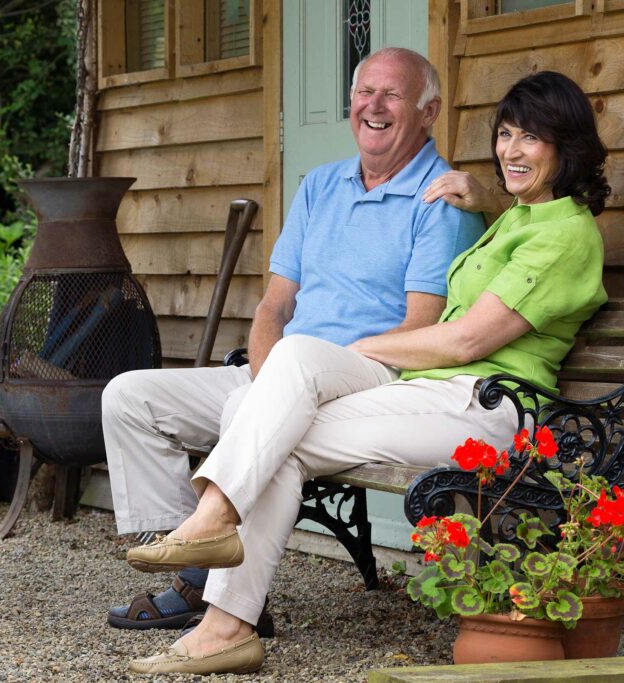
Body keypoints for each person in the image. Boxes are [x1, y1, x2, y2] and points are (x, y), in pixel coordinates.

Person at [122, 69, 611, 675]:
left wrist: (369, 345)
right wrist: (488, 192)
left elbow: (467, 339)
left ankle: (217, 552)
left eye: (530, 139)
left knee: (284, 410)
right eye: (505, 135)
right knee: (286, 397)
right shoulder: (521, 215)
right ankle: (222, 606)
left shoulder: (567, 236)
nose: (512, 150)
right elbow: (519, 204)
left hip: (486, 405)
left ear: (568, 148)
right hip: (434, 395)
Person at [103, 47, 485, 641]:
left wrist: (289, 378)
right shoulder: (320, 186)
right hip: (282, 370)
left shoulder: (440, 202)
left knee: (289, 368)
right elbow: (274, 307)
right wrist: (266, 380)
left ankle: (203, 588)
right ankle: (194, 566)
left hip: (366, 378)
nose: (374, 106)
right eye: (364, 92)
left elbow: (419, 327)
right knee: (131, 396)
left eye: (392, 95)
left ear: (429, 110)